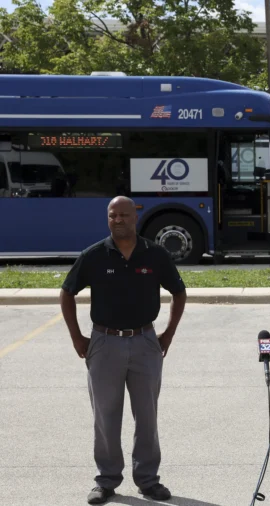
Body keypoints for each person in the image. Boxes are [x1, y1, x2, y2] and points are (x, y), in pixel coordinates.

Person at [59, 196, 187, 505]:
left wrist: (167, 334)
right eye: (112, 215)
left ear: (135, 217)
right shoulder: (94, 255)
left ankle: (148, 480)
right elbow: (67, 293)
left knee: (147, 416)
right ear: (108, 219)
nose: (118, 219)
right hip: (104, 344)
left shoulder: (154, 254)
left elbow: (179, 292)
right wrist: (78, 337)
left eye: (124, 215)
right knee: (106, 417)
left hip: (145, 342)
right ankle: (106, 480)